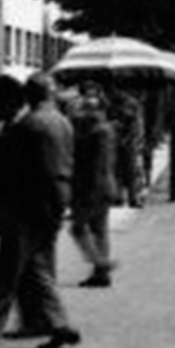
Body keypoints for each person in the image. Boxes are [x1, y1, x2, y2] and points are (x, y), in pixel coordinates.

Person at [0, 75, 80, 348]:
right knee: (35, 271)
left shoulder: (25, 128)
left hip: (23, 211)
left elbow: (6, 179)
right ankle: (59, 324)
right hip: (51, 207)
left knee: (5, 279)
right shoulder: (61, 121)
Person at [68, 86, 120, 288]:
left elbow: (96, 165)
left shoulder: (97, 132)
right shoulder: (101, 129)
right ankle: (101, 274)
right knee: (100, 230)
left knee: (78, 228)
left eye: (89, 107)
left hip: (93, 189)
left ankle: (102, 264)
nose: (84, 111)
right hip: (103, 187)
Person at [110, 88, 145, 208]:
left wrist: (131, 138)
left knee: (132, 171)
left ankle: (133, 197)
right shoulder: (111, 103)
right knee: (117, 170)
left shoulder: (133, 104)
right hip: (116, 141)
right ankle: (119, 196)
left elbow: (137, 124)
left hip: (129, 142)